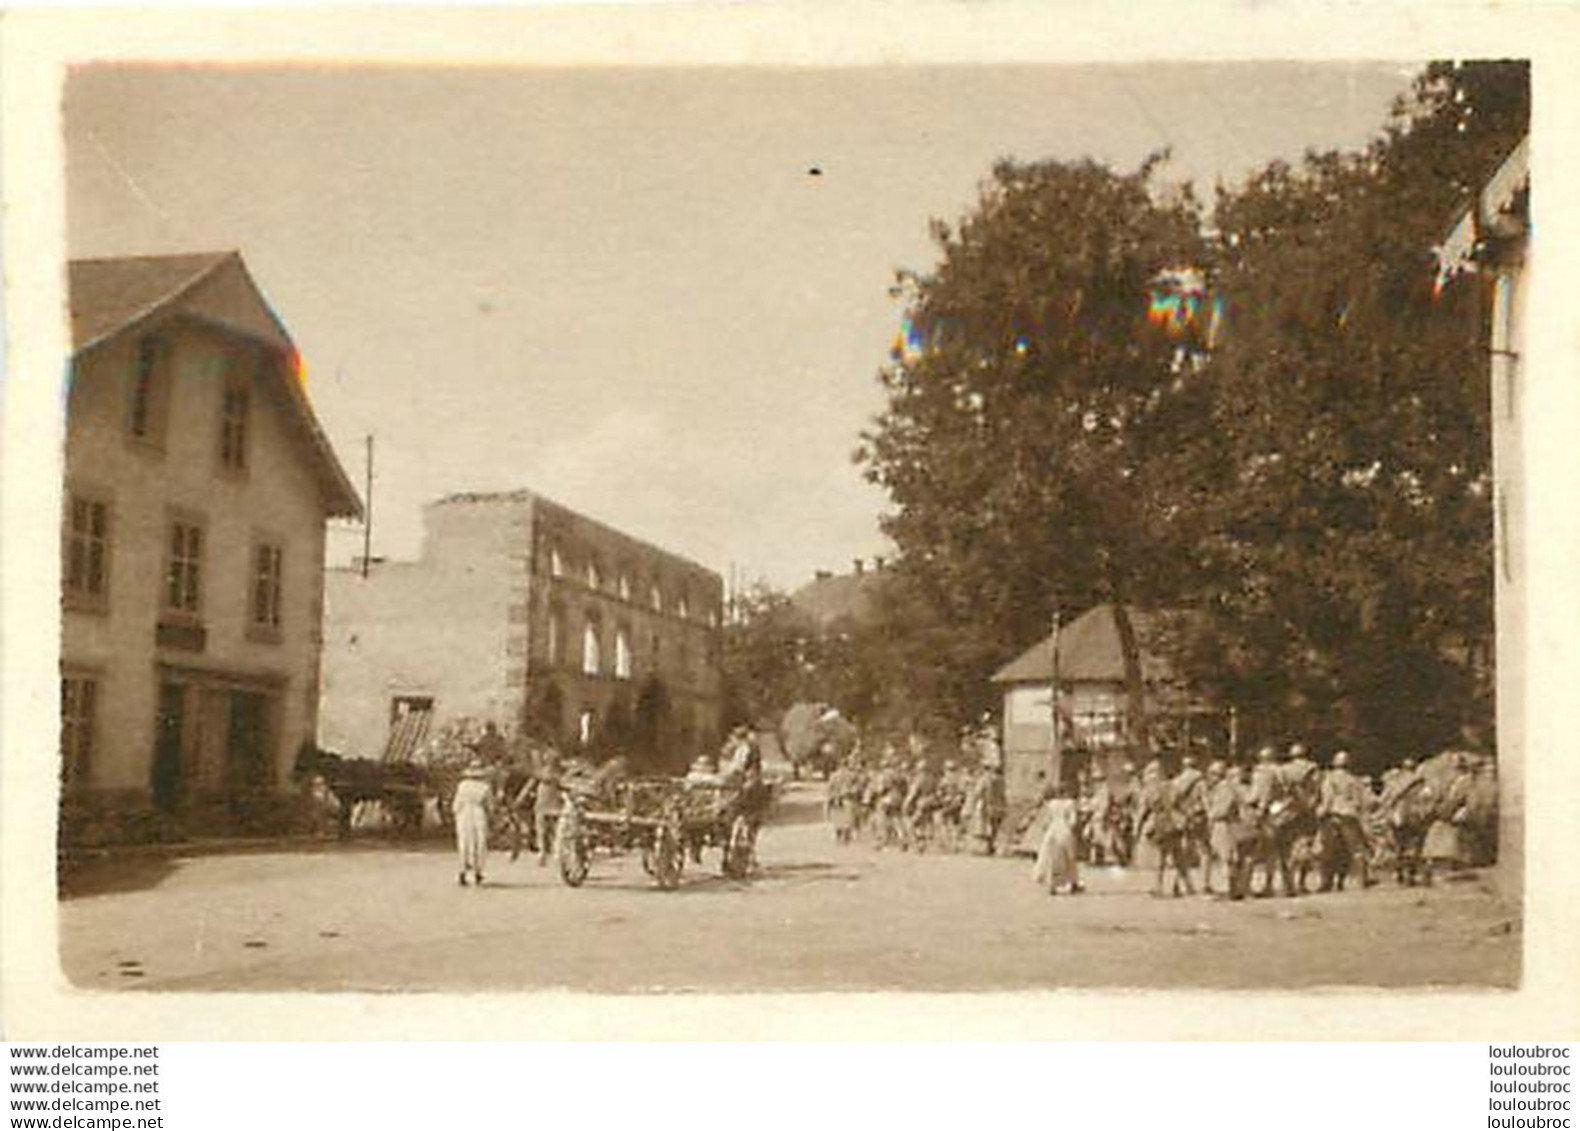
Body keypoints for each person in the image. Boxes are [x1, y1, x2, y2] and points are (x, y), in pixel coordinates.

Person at [1317, 750, 1372, 889]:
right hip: (1350, 816)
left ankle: (1327, 883)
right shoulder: (1355, 780)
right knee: (1354, 850)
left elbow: (1327, 799)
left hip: (1333, 815)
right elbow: (1361, 801)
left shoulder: (1329, 778)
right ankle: (1361, 880)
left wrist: (1321, 812)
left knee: (1328, 850)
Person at [1031, 785, 1083, 895]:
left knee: (1051, 858)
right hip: (1065, 830)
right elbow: (1073, 821)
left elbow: (1047, 821)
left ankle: (1052, 884)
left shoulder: (1052, 804)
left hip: (1052, 831)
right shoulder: (1070, 803)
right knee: (1069, 858)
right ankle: (1072, 882)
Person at [452, 759, 493, 886]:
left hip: (464, 812)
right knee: (479, 842)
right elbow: (490, 806)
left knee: (464, 841)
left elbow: (456, 804)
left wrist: (456, 814)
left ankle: (462, 871)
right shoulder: (485, 787)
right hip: (478, 812)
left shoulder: (462, 785)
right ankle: (477, 871)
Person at [530, 755, 564, 866]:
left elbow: (530, 785)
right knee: (551, 830)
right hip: (550, 803)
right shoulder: (558, 775)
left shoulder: (543, 774)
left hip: (546, 803)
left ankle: (544, 853)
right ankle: (552, 852)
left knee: (543, 830)